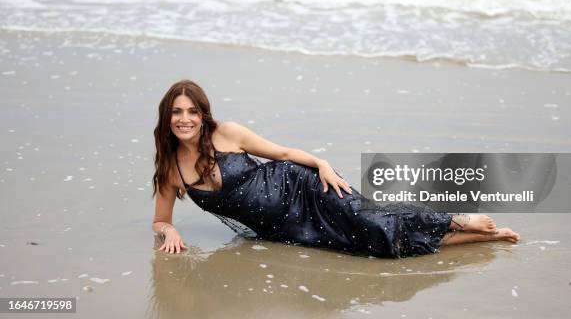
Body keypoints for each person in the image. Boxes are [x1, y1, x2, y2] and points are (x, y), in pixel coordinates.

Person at [152, 80, 520, 258]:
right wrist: (167, 231)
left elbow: (281, 153)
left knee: (377, 224)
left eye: (192, 111)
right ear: (167, 117)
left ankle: (457, 220)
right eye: (177, 112)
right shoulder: (171, 170)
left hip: (304, 188)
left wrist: (322, 164)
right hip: (282, 227)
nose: (185, 119)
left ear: (203, 114)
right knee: (375, 247)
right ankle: (491, 237)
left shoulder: (227, 133)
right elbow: (159, 218)